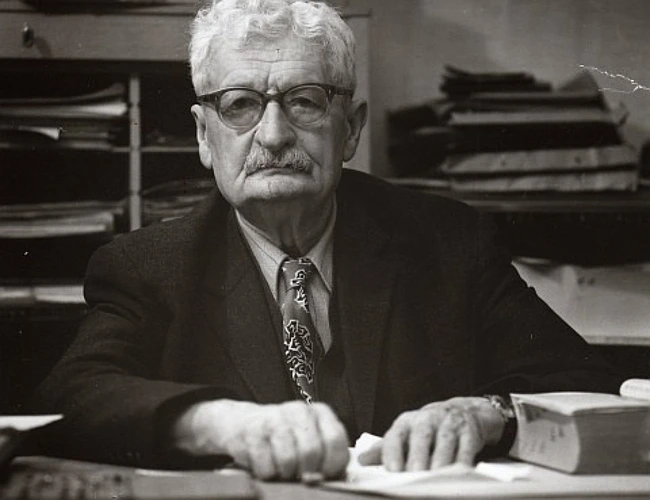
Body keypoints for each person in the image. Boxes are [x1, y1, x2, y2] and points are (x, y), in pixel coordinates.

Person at [31, 0, 623, 481]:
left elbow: (583, 381)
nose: (273, 135)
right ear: (205, 137)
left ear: (351, 129)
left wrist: (488, 414)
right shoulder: (148, 266)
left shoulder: (448, 241)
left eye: (305, 101)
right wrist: (220, 423)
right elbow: (69, 399)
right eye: (240, 105)